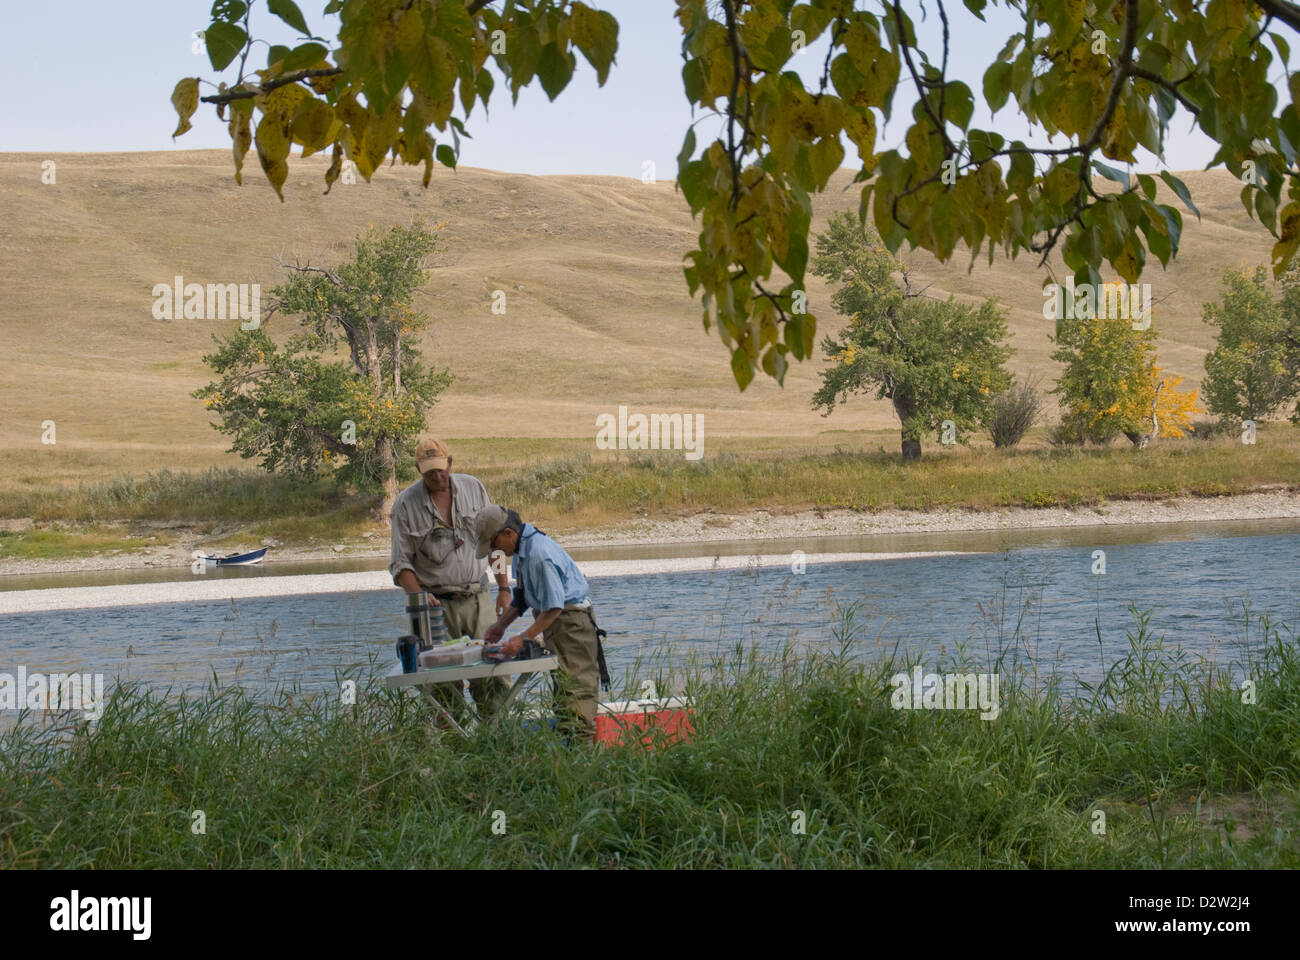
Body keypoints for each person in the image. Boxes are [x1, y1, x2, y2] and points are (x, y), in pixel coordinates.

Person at [390, 437, 511, 720]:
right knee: (442, 686)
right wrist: (419, 595)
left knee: (492, 673)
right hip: (434, 608)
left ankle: (500, 743)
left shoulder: (474, 488)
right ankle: (455, 752)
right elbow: (399, 564)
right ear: (418, 469)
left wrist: (504, 587)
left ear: (450, 463)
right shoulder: (405, 504)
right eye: (429, 471)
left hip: (478, 598)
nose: (437, 475)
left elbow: (495, 542)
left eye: (441, 468)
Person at [474, 504, 604, 744]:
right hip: (557, 623)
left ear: (508, 533)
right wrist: (501, 626)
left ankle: (583, 768)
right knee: (564, 695)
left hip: (571, 625)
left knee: (577, 699)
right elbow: (523, 596)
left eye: (493, 544)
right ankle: (569, 762)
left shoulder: (538, 555)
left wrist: (523, 638)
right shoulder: (524, 547)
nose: (494, 550)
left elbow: (554, 606)